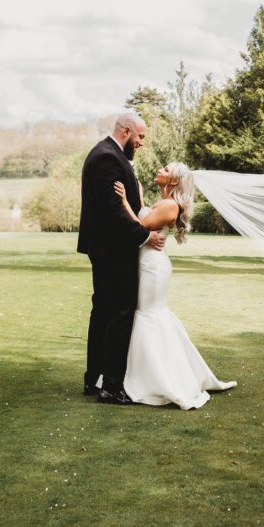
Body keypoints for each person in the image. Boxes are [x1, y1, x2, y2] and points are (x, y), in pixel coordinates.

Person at [113, 162, 236, 409]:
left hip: (152, 267)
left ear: (174, 181)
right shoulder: (162, 201)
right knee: (150, 315)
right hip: (146, 262)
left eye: (166, 169)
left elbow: (140, 228)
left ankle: (158, 378)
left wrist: (125, 202)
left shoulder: (170, 205)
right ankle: (150, 372)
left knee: (148, 315)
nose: (160, 169)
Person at [76, 112, 165, 405]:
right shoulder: (107, 158)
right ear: (126, 131)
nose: (141, 143)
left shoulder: (109, 154)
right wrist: (144, 236)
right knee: (120, 312)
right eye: (140, 137)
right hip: (112, 250)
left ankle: (95, 378)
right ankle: (111, 386)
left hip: (107, 248)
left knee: (102, 311)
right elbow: (112, 211)